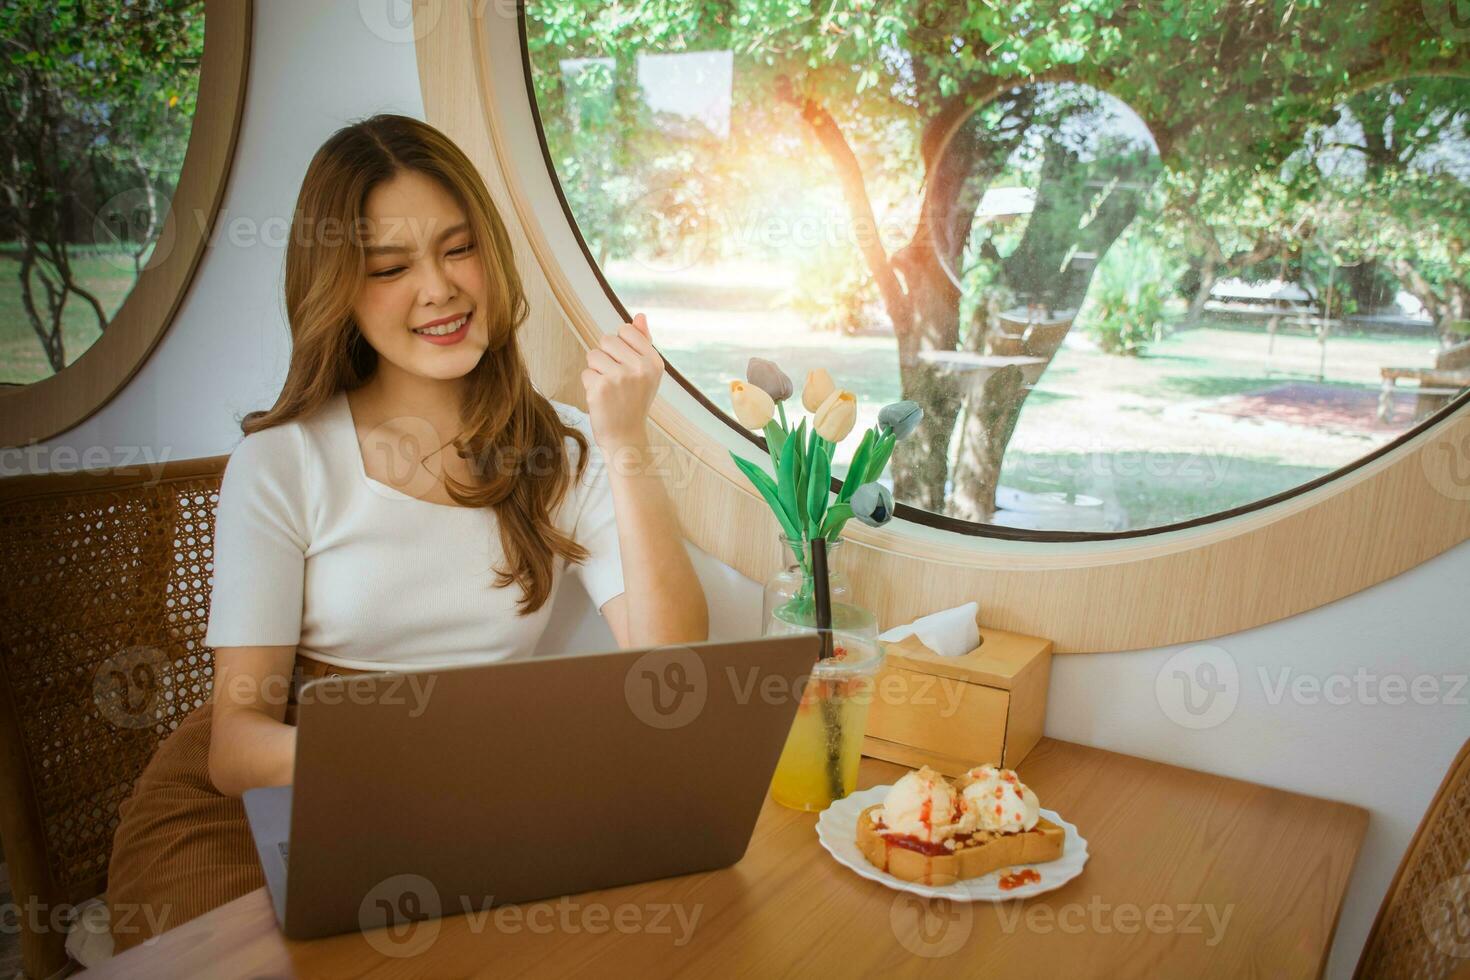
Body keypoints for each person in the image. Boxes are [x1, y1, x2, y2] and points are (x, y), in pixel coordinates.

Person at [104, 113, 708, 952]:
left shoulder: (562, 451)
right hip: (254, 811)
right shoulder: (281, 463)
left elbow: (672, 662)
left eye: (458, 250)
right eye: (390, 266)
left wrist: (627, 442)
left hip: (451, 801)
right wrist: (434, 753)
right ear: (340, 292)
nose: (440, 289)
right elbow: (236, 750)